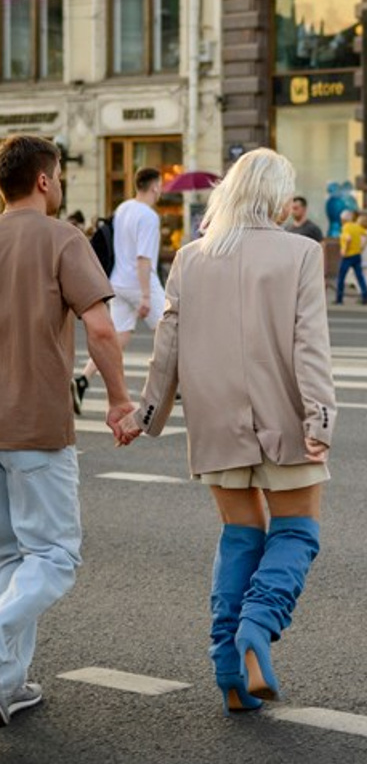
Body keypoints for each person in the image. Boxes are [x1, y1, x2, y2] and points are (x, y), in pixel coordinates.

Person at [126, 147, 335, 714]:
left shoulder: (190, 257)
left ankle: (229, 672)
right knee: (296, 532)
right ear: (279, 197)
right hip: (284, 415)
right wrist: (319, 417)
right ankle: (256, 630)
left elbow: (165, 346)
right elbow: (309, 344)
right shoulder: (300, 252)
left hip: (214, 420)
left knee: (240, 536)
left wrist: (144, 416)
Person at [0, 135, 136, 726]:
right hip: (35, 423)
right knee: (54, 556)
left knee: (9, 559)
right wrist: (119, 400)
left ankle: (7, 686)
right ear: (46, 181)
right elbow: (102, 329)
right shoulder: (62, 238)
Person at [74, 166, 165, 410]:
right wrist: (146, 296)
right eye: (161, 185)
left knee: (118, 337)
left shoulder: (123, 208)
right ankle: (169, 387)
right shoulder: (148, 216)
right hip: (141, 283)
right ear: (155, 186)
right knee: (171, 332)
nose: (161, 190)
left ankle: (83, 378)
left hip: (118, 282)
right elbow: (144, 258)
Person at [334, 208, 367, 305]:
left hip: (348, 256)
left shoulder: (346, 227)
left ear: (343, 219)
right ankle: (365, 296)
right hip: (357, 255)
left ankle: (339, 298)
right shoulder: (356, 226)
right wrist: (363, 246)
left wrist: (344, 250)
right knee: (360, 276)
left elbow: (348, 239)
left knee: (341, 277)